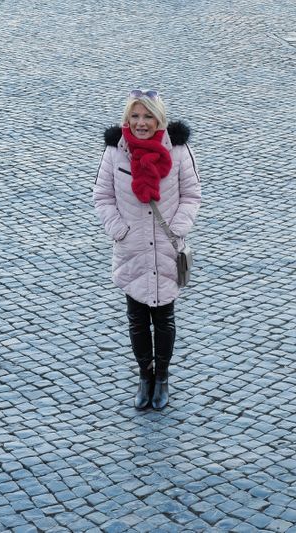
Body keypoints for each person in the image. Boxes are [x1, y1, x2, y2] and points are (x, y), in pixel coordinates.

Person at [93, 89, 201, 411]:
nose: (141, 123)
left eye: (148, 116)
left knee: (165, 318)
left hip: (166, 247)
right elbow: (103, 196)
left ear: (159, 120)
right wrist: (119, 230)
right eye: (135, 116)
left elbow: (191, 194)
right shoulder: (116, 151)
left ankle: (162, 378)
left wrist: (178, 228)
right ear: (127, 119)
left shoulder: (178, 151)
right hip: (133, 247)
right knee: (137, 319)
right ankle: (145, 376)